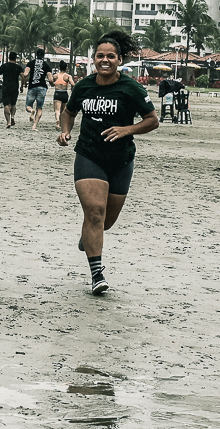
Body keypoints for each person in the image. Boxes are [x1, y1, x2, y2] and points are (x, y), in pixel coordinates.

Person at [58, 31, 158, 295]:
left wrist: (127, 130)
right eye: (100, 56)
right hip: (89, 155)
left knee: (106, 221)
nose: (105, 60)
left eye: (110, 56)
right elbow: (69, 112)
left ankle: (88, 237)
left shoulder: (131, 88)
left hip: (121, 160)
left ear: (119, 59)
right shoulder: (83, 86)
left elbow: (152, 120)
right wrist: (65, 131)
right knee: (94, 212)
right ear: (93, 60)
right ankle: (97, 274)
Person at [24, 47, 53, 131]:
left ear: (36, 55)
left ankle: (31, 110)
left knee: (28, 106)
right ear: (43, 56)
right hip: (42, 87)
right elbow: (50, 79)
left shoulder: (30, 63)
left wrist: (24, 83)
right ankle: (34, 126)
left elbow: (25, 74)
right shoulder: (46, 65)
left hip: (32, 87)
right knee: (39, 108)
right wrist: (52, 84)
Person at [0, 52, 24, 128]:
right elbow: (22, 76)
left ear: (9, 57)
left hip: (5, 87)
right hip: (15, 87)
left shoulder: (4, 66)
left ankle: (8, 122)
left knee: (6, 105)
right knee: (13, 104)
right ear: (16, 58)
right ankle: (13, 117)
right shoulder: (18, 67)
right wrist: (22, 86)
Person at [51, 60, 74, 129]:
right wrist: (72, 89)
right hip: (64, 93)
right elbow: (72, 84)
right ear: (66, 68)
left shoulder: (55, 76)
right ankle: (61, 123)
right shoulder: (68, 76)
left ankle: (57, 121)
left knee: (57, 110)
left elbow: (51, 82)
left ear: (59, 67)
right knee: (63, 111)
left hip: (57, 93)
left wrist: (53, 84)